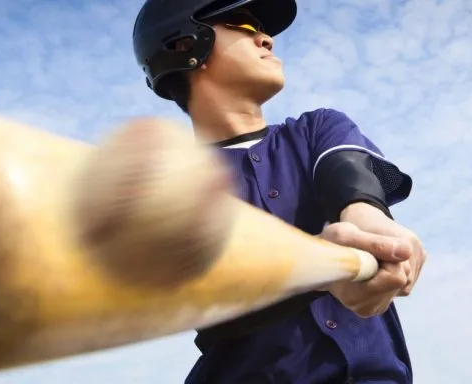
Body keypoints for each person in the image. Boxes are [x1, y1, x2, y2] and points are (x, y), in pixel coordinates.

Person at [132, 0, 427, 383]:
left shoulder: (317, 129)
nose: (267, 40)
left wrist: (370, 225)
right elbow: (205, 303)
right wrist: (315, 268)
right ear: (183, 45)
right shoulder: (173, 185)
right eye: (242, 25)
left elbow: (350, 174)